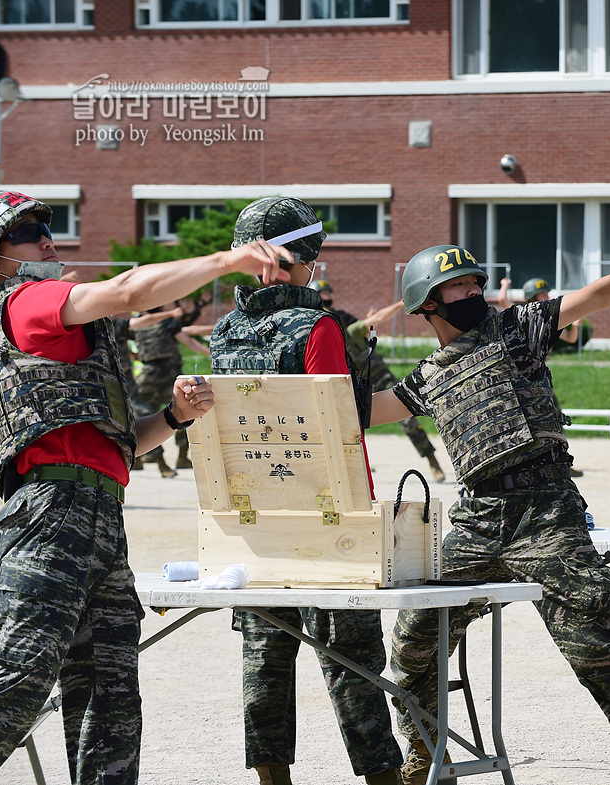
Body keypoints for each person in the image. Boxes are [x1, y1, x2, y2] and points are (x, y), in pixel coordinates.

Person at [370, 228, 610, 785]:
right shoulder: (428, 376)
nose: (472, 292)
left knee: (592, 634)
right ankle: (425, 747)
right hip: (477, 519)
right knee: (414, 637)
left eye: (474, 283)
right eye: (457, 286)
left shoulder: (518, 330)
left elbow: (601, 293)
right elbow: (363, 413)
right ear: (427, 303)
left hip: (546, 509)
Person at [0, 189, 283, 785]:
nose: (46, 238)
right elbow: (130, 291)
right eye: (28, 230)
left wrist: (175, 417)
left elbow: (120, 445)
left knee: (109, 699)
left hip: (96, 513)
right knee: (19, 681)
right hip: (52, 513)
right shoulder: (27, 300)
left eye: (45, 226)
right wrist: (225, 260)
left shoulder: (62, 327)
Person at [210, 197, 402, 785]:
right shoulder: (317, 327)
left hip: (256, 516)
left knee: (264, 660)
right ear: (305, 258)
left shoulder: (223, 332)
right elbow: (337, 426)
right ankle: (381, 777)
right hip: (328, 514)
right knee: (352, 663)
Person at [310, 279, 447, 483]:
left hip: (377, 375)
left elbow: (374, 322)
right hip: (352, 381)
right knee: (348, 423)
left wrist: (402, 304)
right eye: (323, 296)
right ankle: (356, 464)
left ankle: (431, 459)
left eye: (328, 295)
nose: (327, 299)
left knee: (407, 419)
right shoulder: (317, 327)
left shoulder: (345, 323)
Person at [497, 275, 585, 476]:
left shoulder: (547, 319)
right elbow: (503, 301)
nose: (546, 296)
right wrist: (504, 285)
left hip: (539, 376)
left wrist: (577, 325)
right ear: (530, 296)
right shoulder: (521, 315)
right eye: (541, 293)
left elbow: (571, 339)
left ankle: (561, 461)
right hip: (520, 376)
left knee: (554, 417)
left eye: (546, 292)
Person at [131, 302, 211, 475]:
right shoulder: (169, 322)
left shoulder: (138, 324)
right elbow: (188, 340)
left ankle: (146, 459)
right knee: (183, 412)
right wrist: (210, 354)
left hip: (148, 373)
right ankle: (182, 457)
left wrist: (136, 356)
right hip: (170, 374)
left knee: (143, 415)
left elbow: (122, 345)